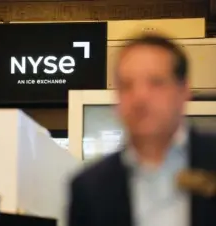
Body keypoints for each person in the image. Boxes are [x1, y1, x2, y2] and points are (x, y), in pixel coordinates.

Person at [68, 35, 216, 226]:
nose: (140, 97)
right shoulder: (89, 188)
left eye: (156, 82)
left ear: (183, 90)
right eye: (127, 85)